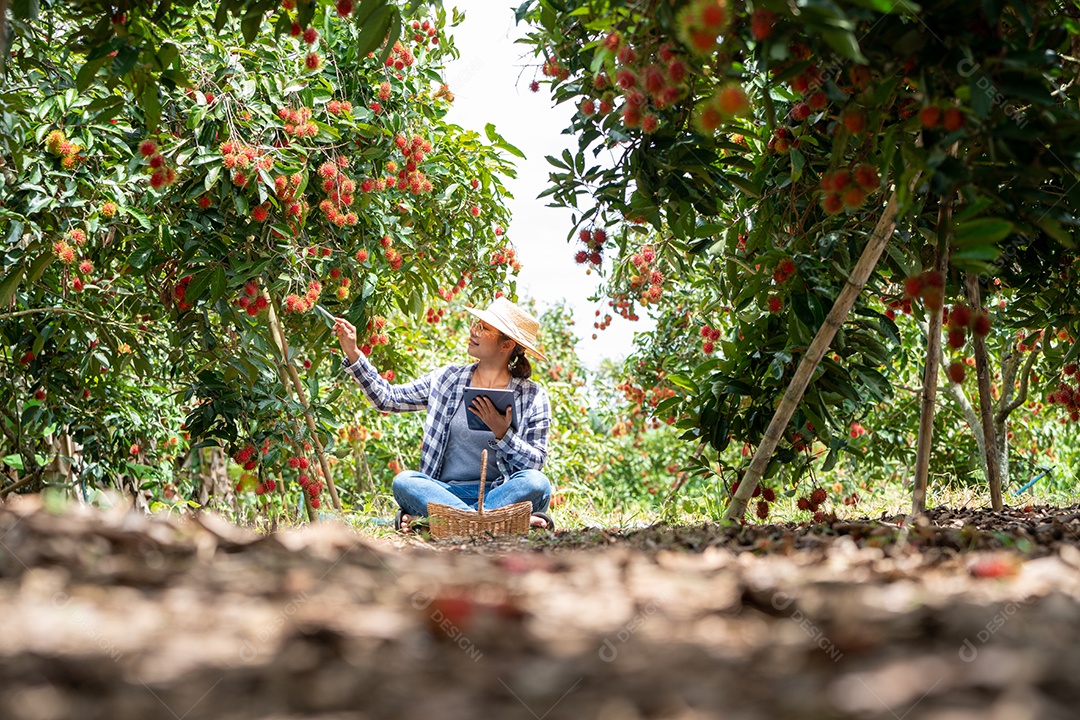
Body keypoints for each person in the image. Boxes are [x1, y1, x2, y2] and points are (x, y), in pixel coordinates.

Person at [332, 297, 554, 532]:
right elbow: (388, 399)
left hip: (502, 492)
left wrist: (503, 434)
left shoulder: (533, 396)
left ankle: (446, 522)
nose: (473, 331)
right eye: (475, 323)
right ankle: (494, 522)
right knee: (405, 482)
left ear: (506, 345)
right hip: (446, 492)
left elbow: (535, 463)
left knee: (537, 483)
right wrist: (354, 352)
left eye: (483, 328)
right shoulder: (447, 379)